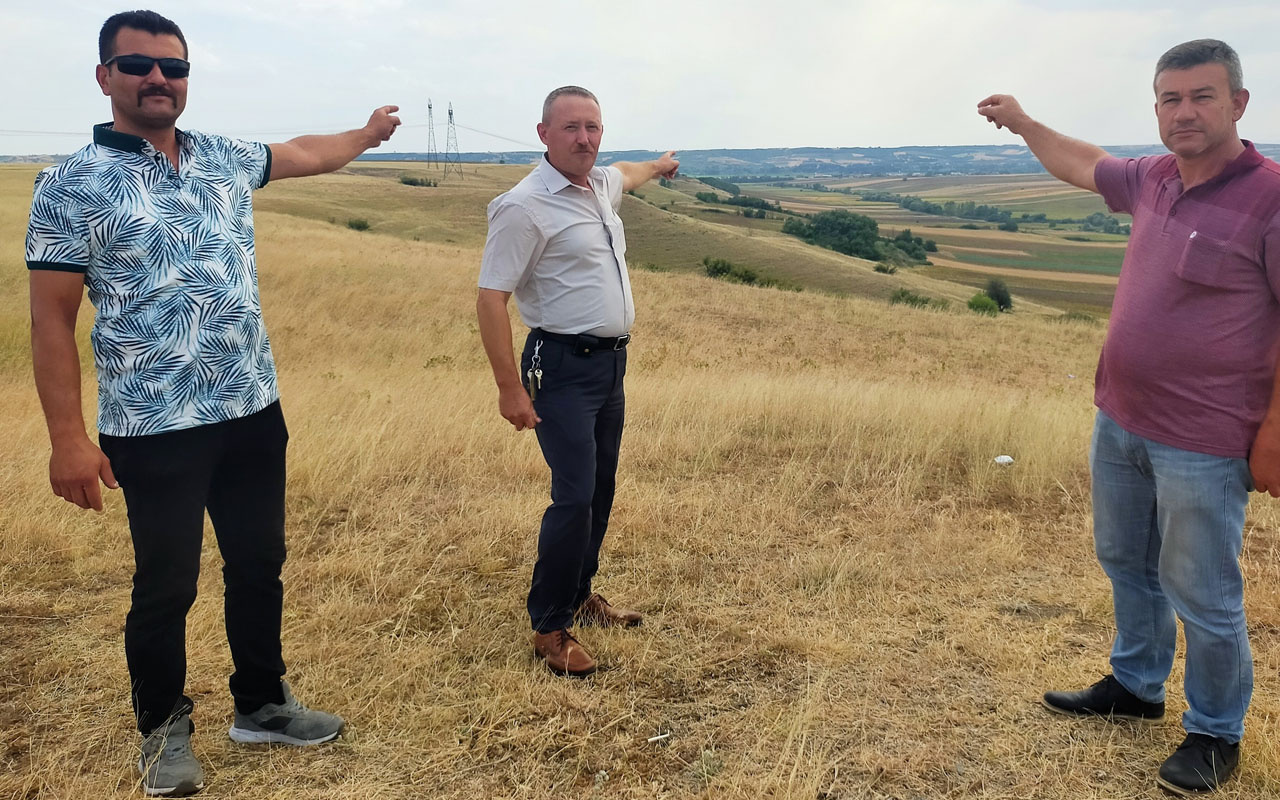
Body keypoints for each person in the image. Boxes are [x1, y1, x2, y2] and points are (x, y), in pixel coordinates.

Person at [25, 10, 399, 796]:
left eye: (173, 67)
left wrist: (363, 136)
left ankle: (261, 704)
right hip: (153, 426)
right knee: (167, 585)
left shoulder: (222, 156)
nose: (158, 79)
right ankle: (163, 730)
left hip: (251, 407)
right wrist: (66, 438)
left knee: (260, 564)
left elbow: (301, 154)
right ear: (105, 77)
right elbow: (51, 319)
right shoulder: (68, 184)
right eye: (138, 65)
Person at [979, 39, 1280, 796]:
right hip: (1121, 420)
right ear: (1156, 108)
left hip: (1207, 441)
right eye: (1170, 98)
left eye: (1203, 96)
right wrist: (1021, 122)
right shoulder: (1152, 178)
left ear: (1239, 105)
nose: (1185, 112)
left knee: (1203, 592)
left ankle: (1216, 732)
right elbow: (1084, 162)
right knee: (1127, 564)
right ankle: (1137, 687)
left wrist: (1274, 435)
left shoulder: (1272, 197)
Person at [476, 86, 677, 678]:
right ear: (543, 135)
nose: (584, 138)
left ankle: (580, 595)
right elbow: (491, 299)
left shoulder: (600, 186)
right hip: (560, 367)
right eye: (570, 128)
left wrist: (660, 165)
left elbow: (630, 172)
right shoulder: (524, 206)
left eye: (592, 126)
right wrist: (508, 387)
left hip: (609, 365)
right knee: (574, 495)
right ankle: (549, 626)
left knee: (601, 489)